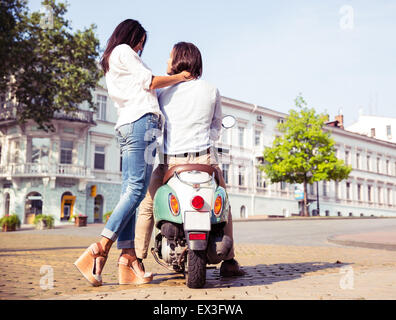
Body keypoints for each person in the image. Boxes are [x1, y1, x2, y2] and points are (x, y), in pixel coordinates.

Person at [74, 19, 192, 287]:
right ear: (133, 37)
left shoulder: (111, 60)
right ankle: (99, 249)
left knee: (131, 191)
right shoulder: (125, 51)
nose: (140, 48)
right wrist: (182, 77)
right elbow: (150, 81)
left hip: (127, 125)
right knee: (137, 190)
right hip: (142, 123)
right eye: (141, 42)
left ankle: (128, 259)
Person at [135, 42, 245, 277]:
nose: (166, 61)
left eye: (169, 57)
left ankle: (138, 260)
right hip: (205, 159)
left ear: (179, 61)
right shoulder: (211, 89)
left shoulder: (162, 92)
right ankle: (230, 260)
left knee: (147, 206)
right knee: (224, 204)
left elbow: (157, 125)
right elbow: (216, 128)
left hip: (171, 162)